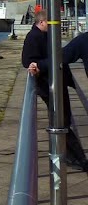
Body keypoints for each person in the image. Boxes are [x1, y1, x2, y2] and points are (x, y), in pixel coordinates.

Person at [22, 9, 88, 169]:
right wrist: (38, 66)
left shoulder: (81, 40)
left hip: (54, 81)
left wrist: (40, 66)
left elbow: (63, 56)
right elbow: (57, 57)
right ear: (42, 22)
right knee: (62, 120)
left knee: (62, 120)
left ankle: (75, 158)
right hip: (49, 82)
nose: (54, 28)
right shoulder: (35, 37)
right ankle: (78, 159)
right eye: (50, 24)